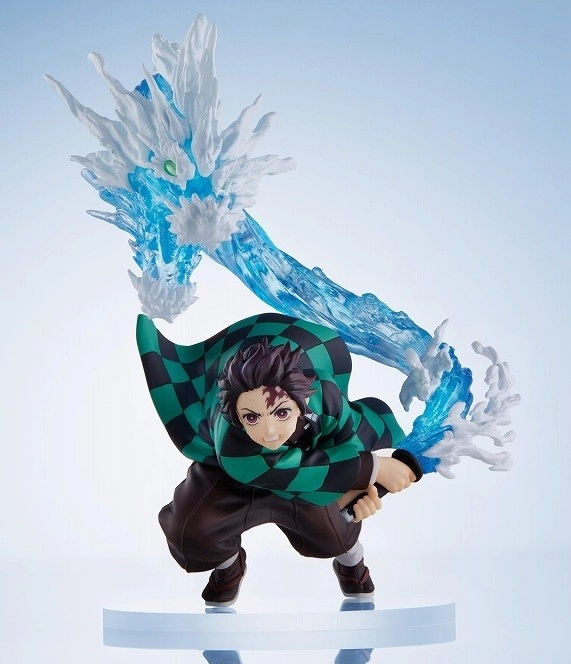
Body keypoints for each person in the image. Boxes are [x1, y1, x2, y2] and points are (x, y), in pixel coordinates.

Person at [137, 311, 417, 606]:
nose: (269, 432)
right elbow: (283, 470)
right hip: (234, 475)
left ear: (303, 401)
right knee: (191, 532)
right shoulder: (229, 435)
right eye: (252, 417)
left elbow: (352, 438)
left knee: (334, 532)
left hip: (311, 464)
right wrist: (372, 468)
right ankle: (228, 566)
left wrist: (356, 489)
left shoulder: (324, 399)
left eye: (281, 413)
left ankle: (351, 559)